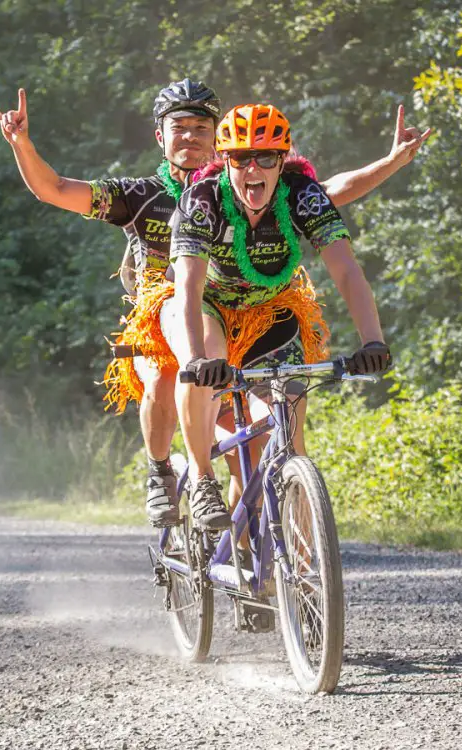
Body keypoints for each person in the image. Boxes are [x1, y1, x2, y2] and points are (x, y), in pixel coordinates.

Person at [0, 81, 429, 527]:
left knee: (263, 453)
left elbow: (332, 197)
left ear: (220, 138)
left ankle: (269, 560)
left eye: (202, 127)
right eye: (179, 127)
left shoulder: (278, 186)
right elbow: (55, 188)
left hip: (256, 312)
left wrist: (392, 162)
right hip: (178, 313)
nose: (191, 137)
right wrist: (22, 143)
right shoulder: (148, 197)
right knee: (169, 368)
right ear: (160, 135)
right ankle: (169, 473)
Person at [161, 104, 392, 530]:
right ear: (223, 160)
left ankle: (296, 565)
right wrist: (195, 357)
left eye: (266, 157)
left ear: (282, 160)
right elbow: (189, 286)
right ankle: (202, 479)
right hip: (203, 306)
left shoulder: (302, 194)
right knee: (207, 352)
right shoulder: (203, 199)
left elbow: (345, 268)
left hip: (269, 311)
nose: (254, 169)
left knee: (287, 437)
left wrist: (373, 341)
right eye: (240, 158)